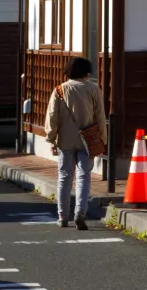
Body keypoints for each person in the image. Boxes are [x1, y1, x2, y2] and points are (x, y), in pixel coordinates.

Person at [45, 56, 104, 229]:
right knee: (84, 176)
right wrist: (102, 139)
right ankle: (80, 212)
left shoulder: (60, 90)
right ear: (86, 72)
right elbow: (100, 116)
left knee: (64, 177)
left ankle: (63, 216)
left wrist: (51, 139)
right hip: (88, 139)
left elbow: (52, 117)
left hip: (65, 139)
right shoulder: (93, 89)